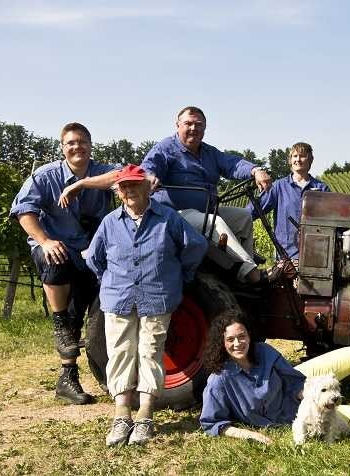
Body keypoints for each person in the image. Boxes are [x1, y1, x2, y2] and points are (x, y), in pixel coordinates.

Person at [86, 164, 207, 446]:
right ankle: (121, 417)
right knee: (120, 353)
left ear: (147, 187)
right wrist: (111, 281)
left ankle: (144, 417)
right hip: (119, 297)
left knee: (150, 352)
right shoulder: (110, 223)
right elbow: (94, 258)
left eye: (135, 185)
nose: (130, 190)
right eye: (124, 186)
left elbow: (196, 246)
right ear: (119, 192)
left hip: (157, 296)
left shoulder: (168, 219)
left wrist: (180, 275)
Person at [9, 122, 120, 404]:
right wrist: (44, 240)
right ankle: (60, 325)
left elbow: (126, 175)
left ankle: (81, 378)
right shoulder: (45, 176)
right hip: (57, 247)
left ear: (90, 145)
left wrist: (82, 183)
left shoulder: (100, 170)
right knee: (55, 261)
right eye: (71, 143)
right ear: (62, 147)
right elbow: (24, 212)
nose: (77, 147)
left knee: (95, 307)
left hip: (90, 253)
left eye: (82, 141)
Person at [141, 106, 278, 285]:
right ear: (177, 125)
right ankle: (251, 274)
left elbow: (232, 164)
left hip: (206, 210)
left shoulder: (209, 152)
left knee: (243, 217)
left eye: (198, 125)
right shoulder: (165, 148)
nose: (193, 128)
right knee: (215, 222)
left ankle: (240, 275)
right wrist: (149, 177)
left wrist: (255, 170)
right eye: (188, 124)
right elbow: (148, 168)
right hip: (175, 214)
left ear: (204, 128)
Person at [199, 310, 350, 444]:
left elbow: (294, 380)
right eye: (230, 340)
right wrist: (250, 434)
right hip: (294, 416)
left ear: (249, 335)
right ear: (222, 343)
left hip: (305, 393)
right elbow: (212, 423)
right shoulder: (219, 380)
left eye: (242, 336)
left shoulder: (263, 351)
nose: (238, 343)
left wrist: (314, 395)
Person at [247, 142, 330, 262]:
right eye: (295, 156)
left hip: (316, 256)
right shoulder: (278, 187)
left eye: (302, 156)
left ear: (311, 160)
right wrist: (239, 222)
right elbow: (253, 210)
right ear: (290, 160)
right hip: (286, 257)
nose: (298, 160)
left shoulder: (322, 189)